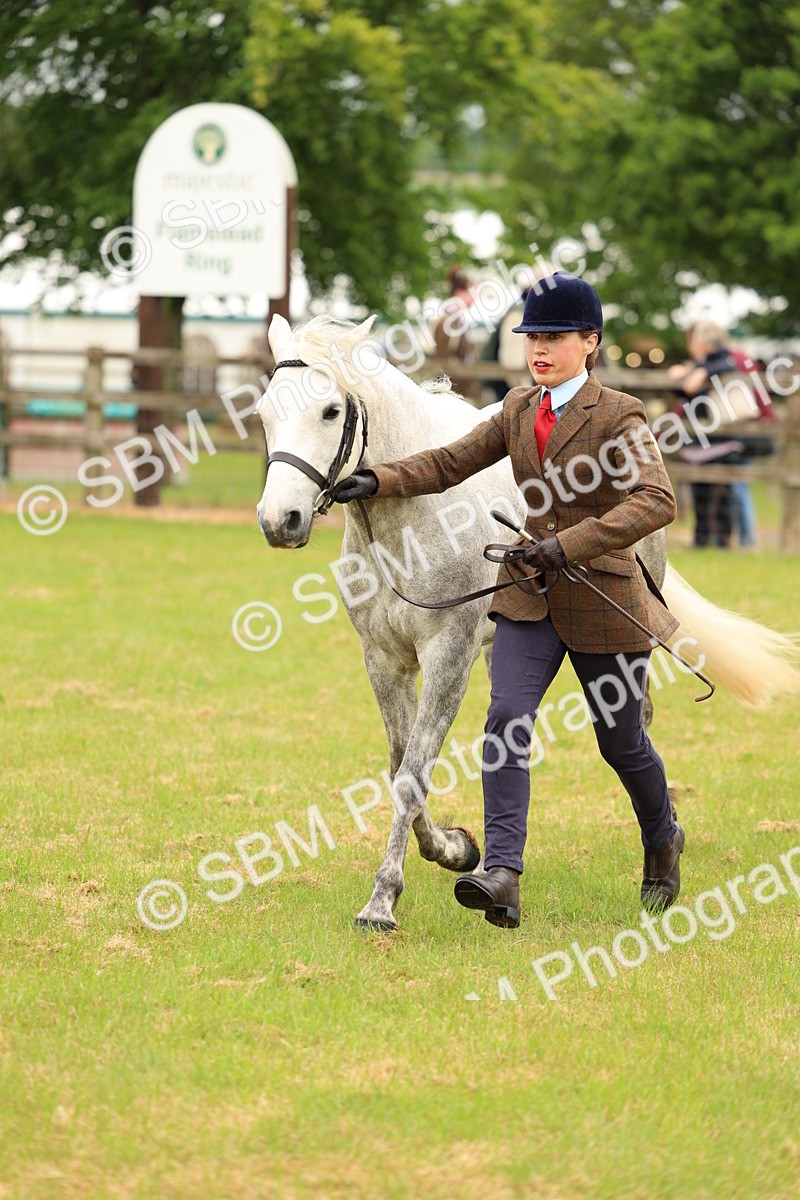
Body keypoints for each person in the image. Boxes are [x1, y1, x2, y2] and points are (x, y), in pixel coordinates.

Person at [332, 272, 685, 929]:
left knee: (622, 740)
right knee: (505, 722)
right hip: (527, 593)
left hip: (603, 594)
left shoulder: (621, 416)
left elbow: (656, 501)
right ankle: (502, 873)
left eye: (554, 337)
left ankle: (663, 835)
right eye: (532, 338)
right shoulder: (519, 409)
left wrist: (571, 543)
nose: (539, 349)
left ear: (591, 342)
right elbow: (447, 463)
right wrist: (377, 478)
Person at [666, 321, 740, 547]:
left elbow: (727, 366)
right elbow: (685, 393)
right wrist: (687, 372)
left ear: (704, 342)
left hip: (721, 440)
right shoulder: (699, 364)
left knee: (721, 496)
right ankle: (702, 539)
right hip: (700, 438)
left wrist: (701, 371)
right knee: (700, 493)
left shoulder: (723, 359)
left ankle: (723, 540)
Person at [431, 266, 480, 400]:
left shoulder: (456, 320)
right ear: (459, 293)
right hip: (449, 393)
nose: (474, 298)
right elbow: (444, 359)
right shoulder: (449, 321)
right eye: (471, 292)